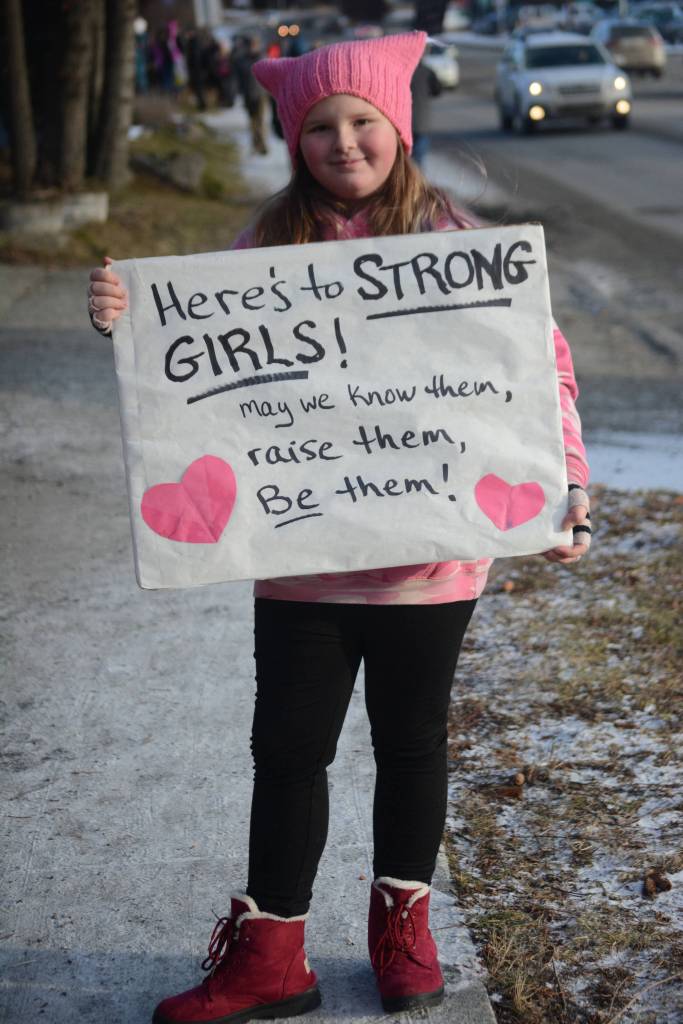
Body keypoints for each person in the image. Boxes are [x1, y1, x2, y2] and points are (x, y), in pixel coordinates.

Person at [86, 31, 591, 1024]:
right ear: (293, 138)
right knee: (287, 748)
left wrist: (563, 481)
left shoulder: (455, 242)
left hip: (427, 561)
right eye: (319, 125)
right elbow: (193, 370)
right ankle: (272, 953)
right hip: (301, 556)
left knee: (410, 745)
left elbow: (540, 373)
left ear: (395, 128)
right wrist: (128, 319)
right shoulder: (265, 250)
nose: (342, 141)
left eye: (361, 120)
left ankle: (402, 931)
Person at [411, 58, 442, 167]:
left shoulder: (401, 71)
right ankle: (417, 182)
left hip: (403, 123)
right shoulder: (427, 72)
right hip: (421, 122)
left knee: (405, 161)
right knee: (418, 159)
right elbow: (437, 90)